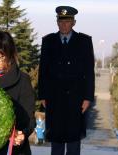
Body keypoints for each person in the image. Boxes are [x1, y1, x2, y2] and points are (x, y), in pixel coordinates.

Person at [38, 6, 95, 155]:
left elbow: (89, 72)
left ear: (73, 22)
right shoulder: (48, 41)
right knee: (56, 140)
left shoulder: (84, 41)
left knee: (73, 141)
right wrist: (42, 95)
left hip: (76, 98)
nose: (64, 25)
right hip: (54, 97)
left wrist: (88, 97)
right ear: (57, 22)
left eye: (67, 21)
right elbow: (43, 70)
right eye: (61, 21)